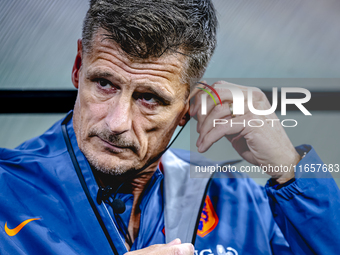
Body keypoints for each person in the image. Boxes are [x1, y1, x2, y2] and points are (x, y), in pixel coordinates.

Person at [0, 0, 339, 254]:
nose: (116, 123)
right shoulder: (6, 192)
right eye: (104, 83)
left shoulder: (240, 204)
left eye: (149, 98)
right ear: (78, 67)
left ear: (188, 106)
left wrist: (291, 170)